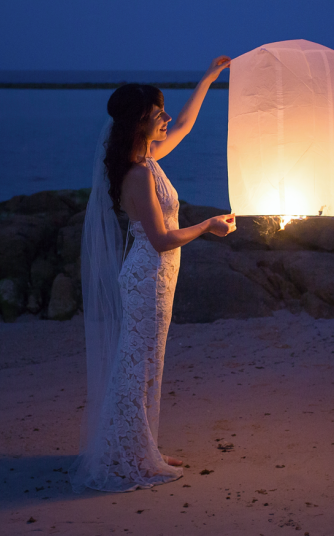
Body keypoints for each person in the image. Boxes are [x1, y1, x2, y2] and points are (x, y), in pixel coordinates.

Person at [71, 57, 237, 493]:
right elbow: (161, 240)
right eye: (157, 113)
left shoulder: (147, 157)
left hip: (156, 276)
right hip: (148, 275)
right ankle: (130, 453)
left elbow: (183, 124)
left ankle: (143, 446)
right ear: (139, 124)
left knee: (148, 364)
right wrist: (207, 225)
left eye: (162, 110)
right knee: (136, 363)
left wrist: (207, 79)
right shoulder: (138, 173)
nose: (165, 118)